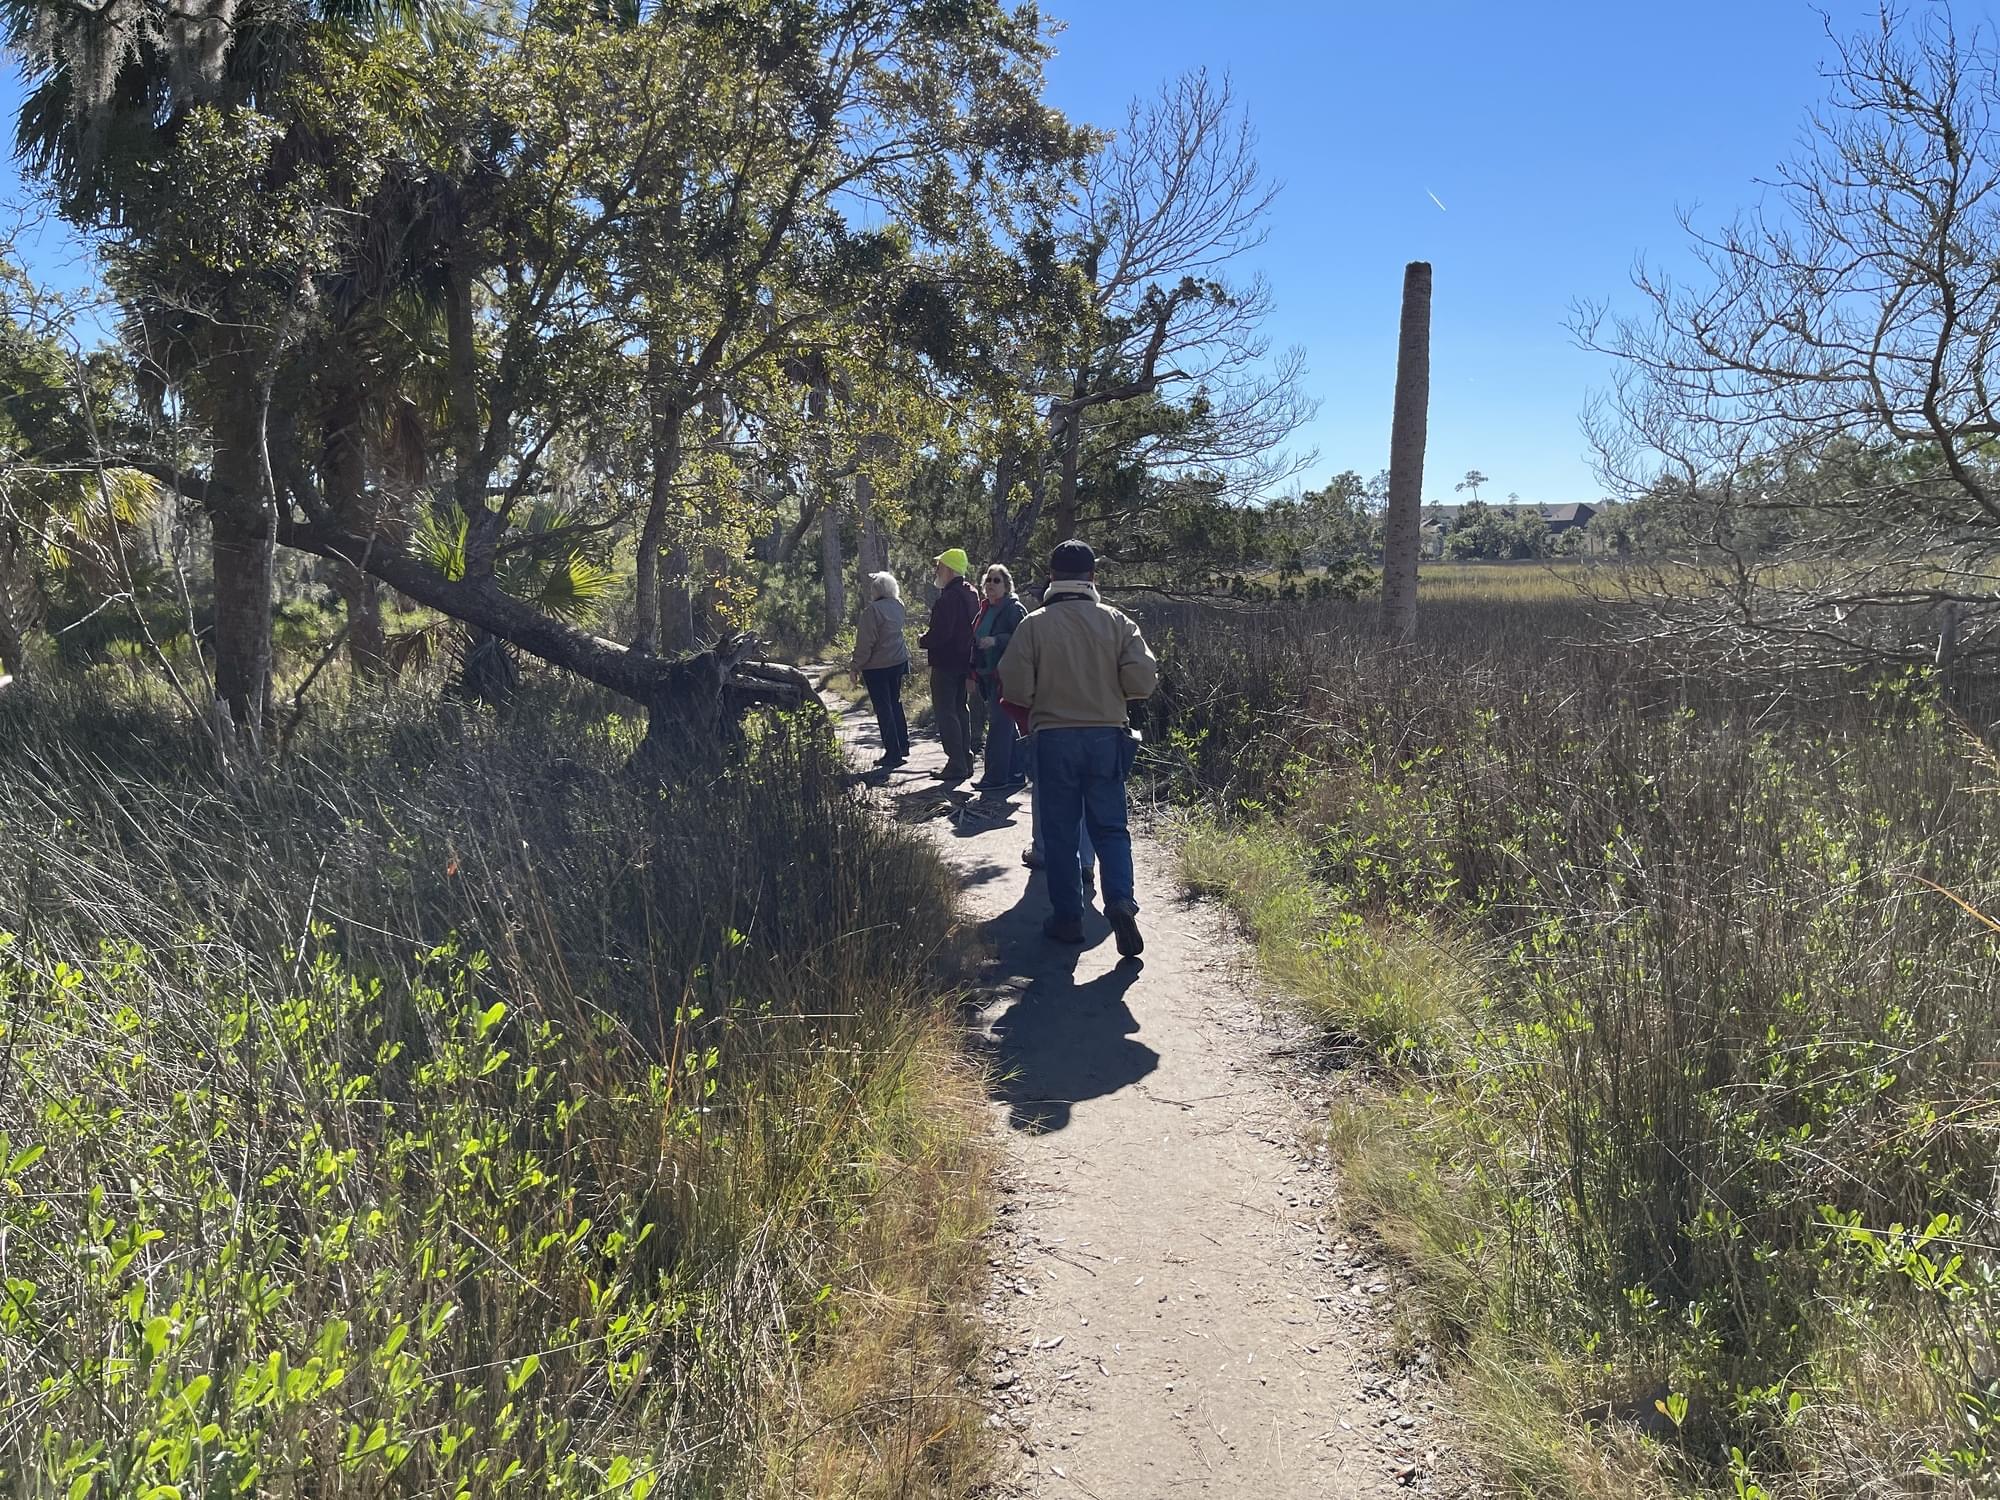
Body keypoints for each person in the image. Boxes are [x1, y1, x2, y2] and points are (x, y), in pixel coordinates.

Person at [997, 539, 1158, 957]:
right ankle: (1120, 901)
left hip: (1053, 739)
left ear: (1052, 576)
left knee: (1060, 833)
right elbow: (1142, 682)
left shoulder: (1033, 625)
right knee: (1111, 828)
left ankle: (1068, 919)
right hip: (1107, 737)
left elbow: (1015, 687)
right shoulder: (1118, 622)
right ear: (1092, 577)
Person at [916, 547, 980, 782]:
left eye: (940, 566)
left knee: (946, 712)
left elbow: (942, 634)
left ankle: (956, 764)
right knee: (961, 709)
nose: (937, 570)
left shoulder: (948, 598)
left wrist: (923, 640)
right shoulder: (971, 593)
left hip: (946, 662)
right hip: (965, 661)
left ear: (950, 570)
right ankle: (965, 759)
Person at [972, 564, 1029, 796]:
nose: (991, 585)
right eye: (988, 580)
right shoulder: (986, 608)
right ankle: (1015, 773)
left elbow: (1023, 638)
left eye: (997, 581)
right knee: (1005, 725)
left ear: (1007, 585)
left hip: (1007, 676)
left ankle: (995, 777)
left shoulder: (1014, 609)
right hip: (988, 675)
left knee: (999, 725)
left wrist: (996, 640)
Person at [851, 571, 911, 768]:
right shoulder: (898, 605)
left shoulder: (872, 611)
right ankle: (902, 745)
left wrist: (855, 665)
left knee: (883, 708)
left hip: (877, 667)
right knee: (895, 703)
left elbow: (865, 643)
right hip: (898, 661)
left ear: (877, 590)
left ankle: (893, 753)